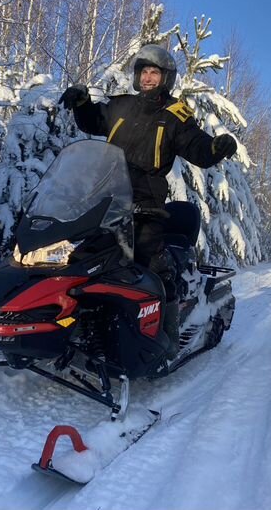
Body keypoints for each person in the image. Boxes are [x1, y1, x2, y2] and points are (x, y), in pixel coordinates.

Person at [58, 44, 238, 360]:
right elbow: (93, 122)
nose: (148, 78)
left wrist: (216, 148)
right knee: (82, 257)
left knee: (151, 265)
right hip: (106, 197)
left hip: (146, 205)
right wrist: (82, 103)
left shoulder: (175, 115)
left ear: (165, 78)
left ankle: (166, 339)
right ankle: (75, 325)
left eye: (154, 72)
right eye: (143, 71)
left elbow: (197, 147)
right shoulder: (121, 106)